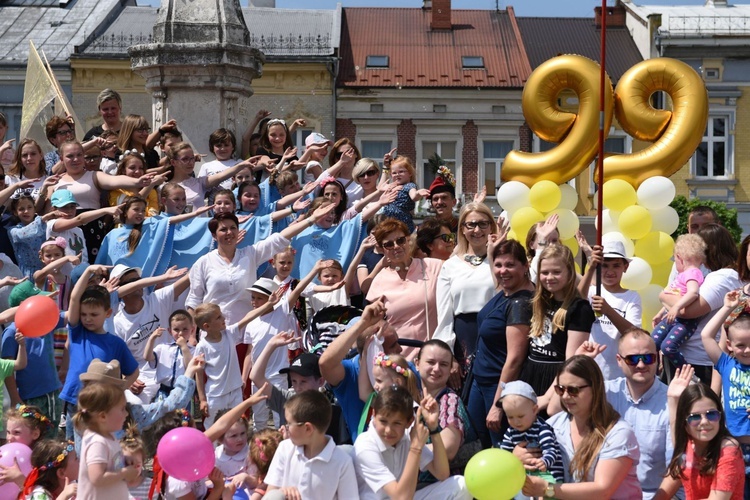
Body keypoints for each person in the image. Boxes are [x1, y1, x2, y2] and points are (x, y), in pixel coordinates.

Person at [521, 355, 641, 499]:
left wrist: (548, 489)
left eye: (573, 390)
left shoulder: (619, 433)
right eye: (560, 389)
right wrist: (519, 456)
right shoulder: (553, 425)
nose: (565, 396)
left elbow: (602, 491)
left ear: (595, 388)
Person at [59, 264, 139, 441]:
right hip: (74, 399)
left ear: (108, 313)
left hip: (99, 405)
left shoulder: (116, 343)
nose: (87, 318)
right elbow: (74, 298)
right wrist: (88, 272)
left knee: (92, 444)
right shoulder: (78, 332)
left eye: (94, 314)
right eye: (84, 314)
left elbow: (133, 371)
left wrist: (120, 389)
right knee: (71, 446)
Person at [655, 223, 741, 385]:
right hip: (694, 356)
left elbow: (689, 311)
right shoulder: (721, 275)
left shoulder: (723, 277)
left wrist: (663, 296)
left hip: (698, 359)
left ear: (710, 250)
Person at [353, 385, 471, 500]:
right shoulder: (365, 445)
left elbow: (442, 473)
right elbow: (401, 497)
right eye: (383, 421)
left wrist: (433, 428)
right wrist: (415, 448)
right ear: (374, 415)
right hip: (400, 496)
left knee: (460, 485)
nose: (388, 430)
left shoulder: (407, 437)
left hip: (404, 495)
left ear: (409, 422)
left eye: (397, 423)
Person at [472, 238, 533, 448]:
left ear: (525, 266)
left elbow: (515, 359)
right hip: (479, 382)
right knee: (480, 444)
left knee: (502, 449)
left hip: (498, 387)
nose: (502, 271)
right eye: (498, 265)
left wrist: (499, 405)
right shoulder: (506, 293)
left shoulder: (521, 303)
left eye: (510, 265)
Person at [521, 244, 594, 411]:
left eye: (556, 272)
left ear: (569, 273)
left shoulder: (579, 308)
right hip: (530, 373)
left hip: (556, 378)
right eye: (544, 272)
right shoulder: (538, 302)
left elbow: (571, 360)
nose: (549, 277)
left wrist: (548, 396)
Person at [602, 329, 672, 500]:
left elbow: (678, 466)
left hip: (652, 495)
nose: (641, 365)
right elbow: (555, 408)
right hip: (605, 492)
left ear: (658, 359)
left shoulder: (673, 401)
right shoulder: (604, 393)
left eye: (648, 358)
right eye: (632, 359)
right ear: (619, 360)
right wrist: (580, 361)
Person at [319, 298, 401, 441]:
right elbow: (325, 364)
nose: (400, 349)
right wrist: (362, 323)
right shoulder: (349, 371)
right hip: (366, 455)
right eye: (393, 345)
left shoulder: (401, 369)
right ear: (374, 349)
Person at [193, 295, 279, 428]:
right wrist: (203, 399)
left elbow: (248, 317)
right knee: (213, 427)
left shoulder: (229, 333)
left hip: (235, 392)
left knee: (237, 424)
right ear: (207, 326)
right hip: (215, 395)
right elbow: (198, 374)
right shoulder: (202, 346)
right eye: (218, 317)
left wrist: (268, 304)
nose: (224, 318)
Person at [366, 218, 442, 359]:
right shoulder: (379, 281)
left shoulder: (434, 267)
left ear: (408, 240)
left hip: (432, 357)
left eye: (400, 240)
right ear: (382, 250)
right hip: (399, 359)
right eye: (388, 244)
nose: (396, 246)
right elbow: (376, 325)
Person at [434, 202, 498, 367]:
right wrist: (448, 355)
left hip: (496, 335)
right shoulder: (450, 266)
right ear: (462, 229)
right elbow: (444, 315)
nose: (477, 230)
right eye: (471, 225)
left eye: (483, 224)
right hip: (463, 339)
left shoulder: (502, 263)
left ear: (491, 227)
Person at [655, 382, 744, 499]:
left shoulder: (729, 451)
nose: (704, 422)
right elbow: (664, 492)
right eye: (695, 417)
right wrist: (672, 400)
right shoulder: (688, 446)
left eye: (711, 414)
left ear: (720, 417)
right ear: (684, 424)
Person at [263, 391, 359, 499]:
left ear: (308, 428)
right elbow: (270, 495)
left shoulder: (342, 462)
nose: (285, 428)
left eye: (289, 423)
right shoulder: (284, 448)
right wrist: (281, 493)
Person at [578, 241, 641, 380]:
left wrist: (608, 310)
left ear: (625, 267)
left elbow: (634, 333)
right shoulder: (591, 291)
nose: (610, 271)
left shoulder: (632, 297)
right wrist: (591, 267)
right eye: (604, 266)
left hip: (617, 374)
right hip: (589, 370)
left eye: (616, 265)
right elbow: (575, 300)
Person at [73, 380, 139, 498]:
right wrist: (124, 473)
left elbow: (110, 461)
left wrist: (125, 459)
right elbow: (97, 478)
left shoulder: (108, 436)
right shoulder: (97, 442)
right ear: (103, 416)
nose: (126, 414)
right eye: (122, 409)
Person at [652, 234, 707, 370]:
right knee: (652, 342)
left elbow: (693, 292)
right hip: (673, 316)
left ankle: (687, 373)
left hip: (684, 321)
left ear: (679, 258)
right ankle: (654, 371)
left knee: (668, 347)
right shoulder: (684, 274)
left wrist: (676, 307)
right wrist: (662, 312)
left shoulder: (692, 273)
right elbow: (673, 293)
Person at [499, 380, 564, 484]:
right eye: (510, 417)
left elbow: (551, 451)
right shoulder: (511, 432)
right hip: (525, 476)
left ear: (534, 410)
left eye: (520, 416)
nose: (516, 422)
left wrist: (544, 462)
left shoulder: (542, 429)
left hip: (548, 476)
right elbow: (503, 454)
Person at [143, 310, 195, 400]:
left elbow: (190, 368)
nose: (180, 333)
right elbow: (147, 357)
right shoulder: (163, 348)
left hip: (183, 393)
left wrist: (184, 347)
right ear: (170, 331)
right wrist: (152, 338)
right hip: (164, 392)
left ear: (192, 330)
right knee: (163, 414)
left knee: (183, 414)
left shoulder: (193, 350)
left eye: (185, 329)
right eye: (176, 329)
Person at [379, 157, 430, 233]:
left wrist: (418, 193)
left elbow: (413, 196)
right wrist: (386, 167)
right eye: (394, 173)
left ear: (409, 173)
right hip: (387, 220)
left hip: (402, 221)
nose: (397, 175)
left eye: (401, 171)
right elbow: (380, 188)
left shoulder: (409, 186)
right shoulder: (391, 186)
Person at [427, 168, 458, 232]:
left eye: (444, 198)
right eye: (435, 199)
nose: (440, 202)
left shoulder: (462, 227)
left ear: (454, 202)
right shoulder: (426, 228)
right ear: (432, 204)